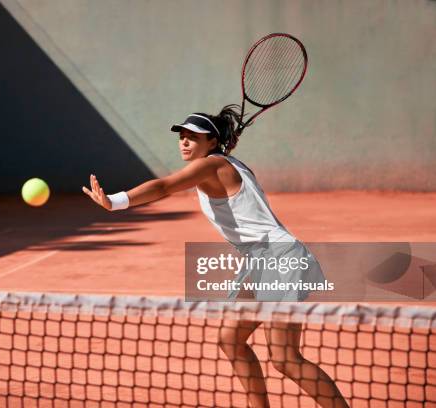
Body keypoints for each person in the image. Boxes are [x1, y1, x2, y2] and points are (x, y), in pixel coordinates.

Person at [82, 104, 349, 408]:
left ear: (211, 142)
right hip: (262, 261)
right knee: (230, 339)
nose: (184, 141)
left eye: (192, 137)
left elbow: (164, 186)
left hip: (278, 257)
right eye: (181, 136)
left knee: (285, 358)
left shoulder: (210, 165)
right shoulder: (226, 164)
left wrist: (114, 202)